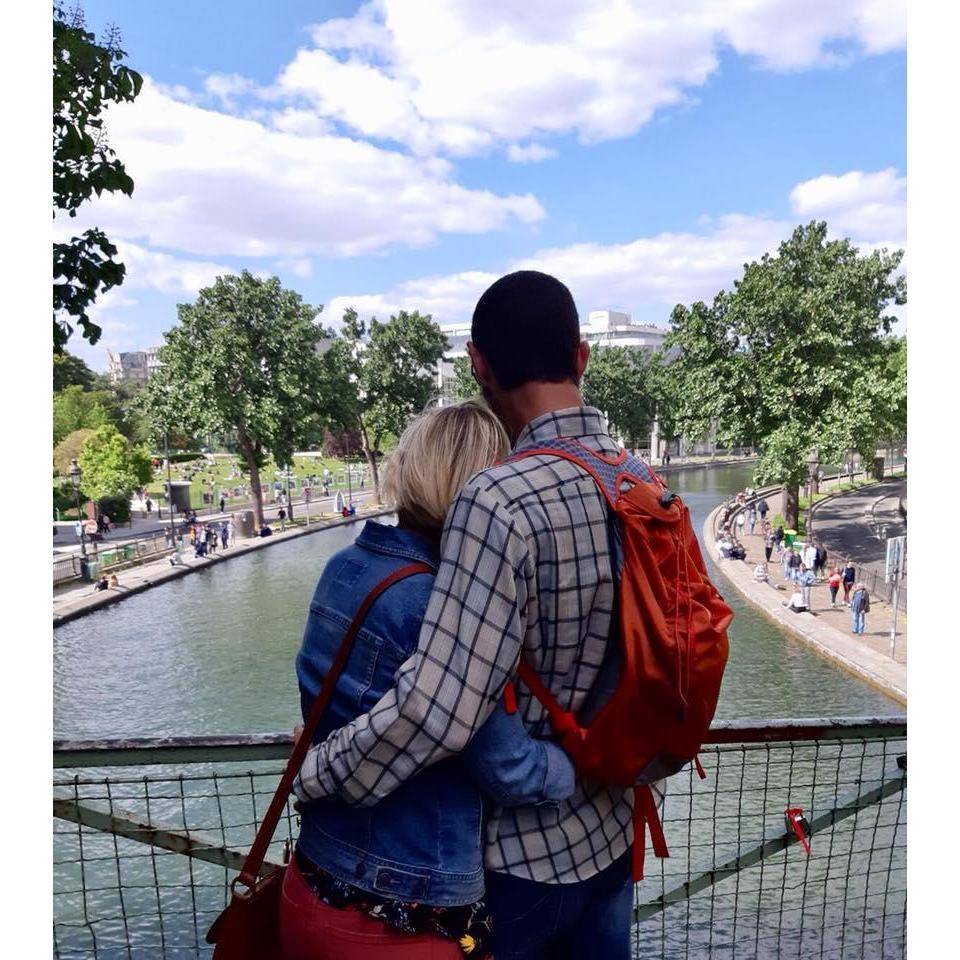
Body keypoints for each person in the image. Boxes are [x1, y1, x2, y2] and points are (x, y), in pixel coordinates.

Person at [293, 271, 663, 960]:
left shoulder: (496, 501)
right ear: (582, 357)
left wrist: (312, 770)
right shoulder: (640, 480)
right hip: (613, 836)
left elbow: (438, 711)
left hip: (521, 862)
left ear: (478, 364)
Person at [281, 401, 575, 960]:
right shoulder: (441, 605)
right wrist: (582, 768)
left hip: (313, 879)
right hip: (403, 913)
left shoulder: (343, 565)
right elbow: (507, 767)